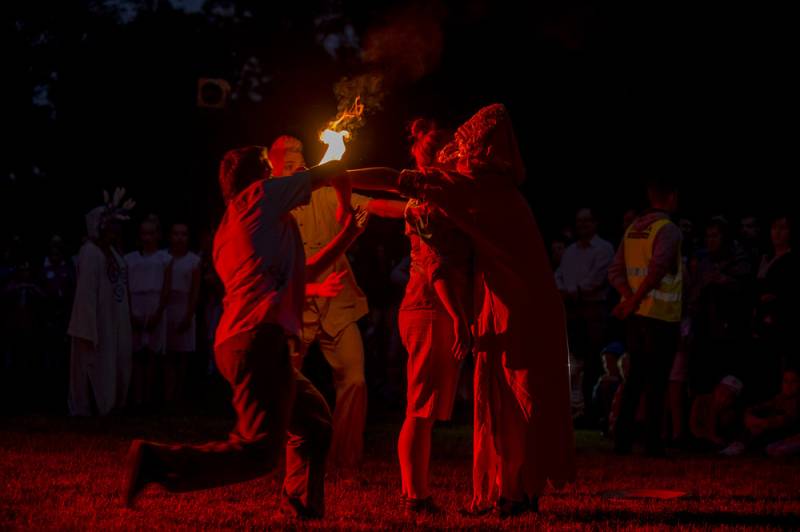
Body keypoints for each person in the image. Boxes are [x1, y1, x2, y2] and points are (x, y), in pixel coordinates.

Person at [349, 104, 575, 516]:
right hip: (470, 306)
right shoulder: (483, 189)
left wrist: (337, 180)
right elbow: (423, 239)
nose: (457, 148)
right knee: (471, 401)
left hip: (499, 307)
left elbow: (398, 193)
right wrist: (347, 189)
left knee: (503, 398)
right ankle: (493, 489)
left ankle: (511, 490)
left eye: (463, 143)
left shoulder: (468, 187)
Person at [123, 147, 362, 520]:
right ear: (259, 176)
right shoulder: (260, 197)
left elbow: (306, 272)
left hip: (242, 341)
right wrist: (344, 207)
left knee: (313, 420)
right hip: (257, 339)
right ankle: (155, 461)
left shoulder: (234, 227)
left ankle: (301, 505)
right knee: (259, 451)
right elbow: (334, 167)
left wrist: (347, 234)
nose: (277, 174)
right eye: (270, 167)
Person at [268, 135, 406, 470]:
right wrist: (314, 288)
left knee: (355, 381)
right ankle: (282, 460)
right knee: (283, 386)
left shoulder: (326, 193)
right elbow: (279, 278)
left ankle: (345, 462)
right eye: (289, 164)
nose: (298, 168)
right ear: (274, 172)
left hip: (339, 307)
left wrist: (414, 210)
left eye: (301, 162)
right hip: (294, 312)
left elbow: (374, 205)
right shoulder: (270, 210)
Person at [395, 119, 472, 514]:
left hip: (433, 309)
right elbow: (434, 264)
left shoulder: (435, 198)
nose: (461, 153)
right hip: (428, 308)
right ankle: (414, 495)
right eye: (454, 149)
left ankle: (416, 492)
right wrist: (458, 316)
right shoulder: (427, 202)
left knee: (425, 408)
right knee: (420, 407)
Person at [608, 178, 682, 456]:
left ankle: (623, 440)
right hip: (661, 316)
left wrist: (629, 300)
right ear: (671, 197)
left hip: (635, 317)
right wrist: (635, 300)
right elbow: (657, 270)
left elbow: (615, 271)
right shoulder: (668, 230)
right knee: (657, 381)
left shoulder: (633, 230)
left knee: (635, 378)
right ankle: (653, 443)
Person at [68, 189, 135, 416]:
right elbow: (85, 295)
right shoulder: (90, 252)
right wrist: (88, 327)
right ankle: (93, 404)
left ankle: (112, 401)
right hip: (97, 321)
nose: (114, 232)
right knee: (95, 362)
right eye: (110, 227)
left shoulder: (113, 253)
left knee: (116, 360)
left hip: (114, 318)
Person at [555, 208, 615, 425]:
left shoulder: (603, 249)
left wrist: (574, 291)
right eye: (579, 221)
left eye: (586, 221)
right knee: (572, 361)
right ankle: (574, 408)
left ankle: (591, 410)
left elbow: (597, 279)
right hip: (571, 311)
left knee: (592, 361)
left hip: (593, 310)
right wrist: (562, 291)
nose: (582, 225)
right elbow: (559, 274)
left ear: (595, 223)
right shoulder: (571, 251)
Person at [125, 218, 171, 410]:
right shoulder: (130, 259)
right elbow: (126, 287)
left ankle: (149, 399)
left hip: (154, 302)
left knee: (152, 353)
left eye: (151, 233)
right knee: (136, 354)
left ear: (157, 235)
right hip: (136, 302)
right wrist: (130, 312)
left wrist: (158, 312)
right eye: (144, 233)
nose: (147, 238)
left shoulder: (164, 258)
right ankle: (137, 398)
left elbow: (166, 287)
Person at [164, 222, 202, 408]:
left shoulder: (193, 261)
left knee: (182, 357)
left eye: (183, 234)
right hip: (166, 309)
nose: (179, 238)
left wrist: (189, 314)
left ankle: (179, 398)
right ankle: (166, 396)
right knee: (167, 355)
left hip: (184, 308)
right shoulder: (164, 258)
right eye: (176, 234)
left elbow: (195, 291)